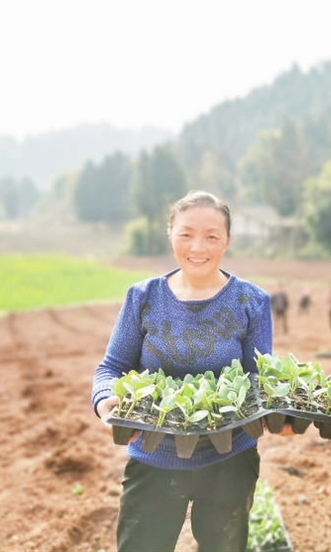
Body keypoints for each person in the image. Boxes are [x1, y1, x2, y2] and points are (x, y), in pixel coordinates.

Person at [91, 190, 275, 552]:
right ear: (170, 234)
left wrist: (275, 413)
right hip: (153, 455)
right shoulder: (143, 297)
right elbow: (111, 367)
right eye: (186, 234)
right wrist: (104, 401)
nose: (198, 247)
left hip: (230, 459)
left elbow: (258, 378)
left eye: (212, 236)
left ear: (227, 241)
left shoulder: (251, 300)